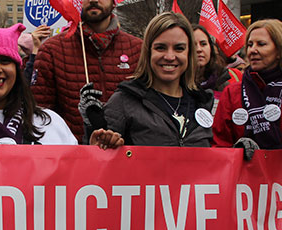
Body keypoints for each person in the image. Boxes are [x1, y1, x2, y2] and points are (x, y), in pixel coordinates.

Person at [31, 0, 142, 141]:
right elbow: (40, 113)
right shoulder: (52, 50)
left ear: (114, 0)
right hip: (73, 156)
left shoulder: (138, 49)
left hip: (126, 155)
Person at [88, 11, 213, 147]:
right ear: (148, 52)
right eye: (161, 48)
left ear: (189, 54)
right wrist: (101, 144)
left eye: (179, 48)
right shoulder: (124, 101)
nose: (170, 56)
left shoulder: (202, 101)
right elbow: (100, 156)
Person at [212, 19, 282, 157]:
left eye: (261, 44)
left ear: (279, 50)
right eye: (249, 44)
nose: (253, 50)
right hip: (245, 175)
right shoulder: (232, 92)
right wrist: (237, 152)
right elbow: (219, 143)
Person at [193, 24, 242, 107]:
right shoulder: (177, 84)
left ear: (211, 48)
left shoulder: (223, 84)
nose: (199, 49)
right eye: (193, 45)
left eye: (203, 44)